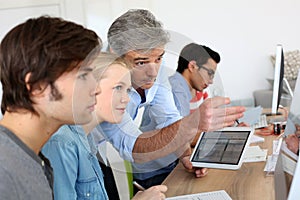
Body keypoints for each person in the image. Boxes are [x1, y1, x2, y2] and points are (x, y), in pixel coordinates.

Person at [93, 9, 246, 192]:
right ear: (114, 53)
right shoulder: (102, 79)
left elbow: (169, 118)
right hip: (80, 148)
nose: (153, 72)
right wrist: (191, 123)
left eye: (158, 59)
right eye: (140, 62)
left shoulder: (152, 62)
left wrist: (186, 156)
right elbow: (134, 148)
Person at [0, 16, 101, 200]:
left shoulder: (32, 158)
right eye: (83, 76)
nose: (97, 88)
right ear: (37, 86)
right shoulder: (5, 173)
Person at [42, 53, 168, 200]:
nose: (126, 99)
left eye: (127, 90)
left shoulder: (88, 139)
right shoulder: (62, 143)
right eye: (118, 88)